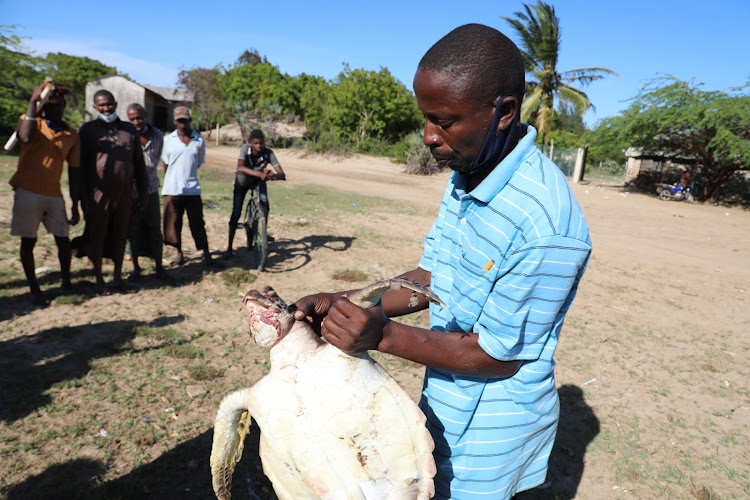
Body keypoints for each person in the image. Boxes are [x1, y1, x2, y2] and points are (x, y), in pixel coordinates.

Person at [293, 24, 592, 499]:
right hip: (447, 401)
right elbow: (435, 278)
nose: (429, 136)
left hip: (489, 435)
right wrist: (346, 301)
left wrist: (382, 335)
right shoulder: (469, 173)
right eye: (426, 118)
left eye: (445, 120)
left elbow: (496, 356)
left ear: (504, 112)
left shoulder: (544, 223)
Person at [9, 80, 81, 305]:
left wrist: (75, 205)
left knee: (63, 239)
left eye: (59, 104)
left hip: (54, 195)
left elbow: (75, 172)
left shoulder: (71, 134)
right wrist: (33, 100)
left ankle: (66, 281)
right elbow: (26, 137)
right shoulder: (31, 122)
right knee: (28, 241)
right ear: (44, 105)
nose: (55, 108)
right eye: (50, 104)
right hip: (27, 192)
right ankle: (34, 288)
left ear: (64, 106)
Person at [75, 90, 149, 293]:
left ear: (115, 104)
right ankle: (99, 278)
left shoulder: (129, 129)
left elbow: (139, 164)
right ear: (95, 107)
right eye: (102, 106)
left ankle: (118, 277)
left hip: (124, 194)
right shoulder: (88, 130)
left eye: (109, 104)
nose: (106, 109)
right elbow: (80, 166)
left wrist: (143, 192)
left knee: (120, 235)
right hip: (98, 195)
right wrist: (82, 198)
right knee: (97, 235)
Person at [160, 106, 217, 266]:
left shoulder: (199, 140)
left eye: (185, 120)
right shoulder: (168, 140)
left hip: (192, 189)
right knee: (173, 223)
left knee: (198, 223)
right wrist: (174, 179)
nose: (182, 124)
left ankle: (206, 254)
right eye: (179, 121)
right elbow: (166, 164)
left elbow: (197, 162)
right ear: (174, 121)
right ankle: (179, 253)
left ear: (190, 120)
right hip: (172, 190)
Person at [225, 128, 286, 257]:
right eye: (256, 143)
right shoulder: (245, 149)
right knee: (236, 212)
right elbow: (240, 167)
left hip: (258, 182)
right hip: (242, 182)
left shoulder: (268, 153)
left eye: (261, 143)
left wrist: (273, 175)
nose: (259, 146)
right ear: (250, 143)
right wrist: (259, 173)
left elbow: (282, 174)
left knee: (265, 206)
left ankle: (263, 234)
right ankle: (229, 246)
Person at [125, 103, 167, 280]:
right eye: (132, 119)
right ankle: (136, 268)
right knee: (132, 230)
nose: (136, 122)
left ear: (146, 116)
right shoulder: (126, 135)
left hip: (150, 191)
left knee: (154, 230)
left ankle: (159, 267)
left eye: (139, 117)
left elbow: (156, 159)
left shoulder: (158, 135)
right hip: (131, 193)